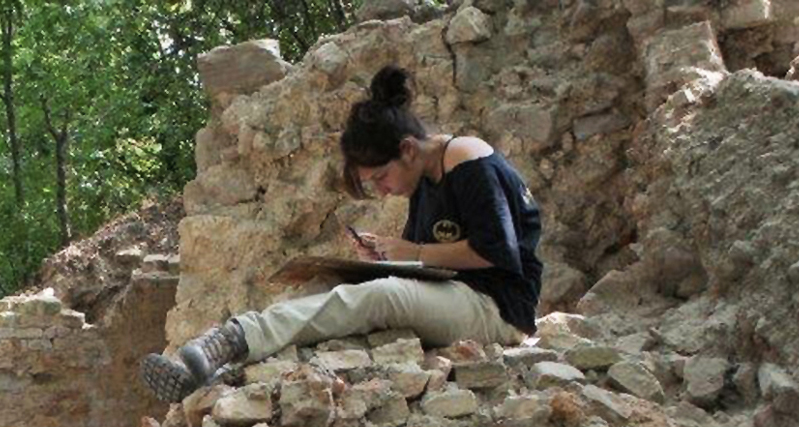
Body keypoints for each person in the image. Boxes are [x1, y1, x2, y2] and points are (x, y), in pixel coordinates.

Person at [141, 64, 543, 402]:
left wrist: (413, 251)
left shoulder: (469, 160)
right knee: (326, 283)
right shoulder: (425, 178)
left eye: (382, 177)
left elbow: (495, 251)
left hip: (499, 310)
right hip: (458, 295)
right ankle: (221, 365)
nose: (383, 191)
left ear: (407, 150)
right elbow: (430, 260)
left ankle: (234, 340)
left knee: (384, 296)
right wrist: (389, 257)